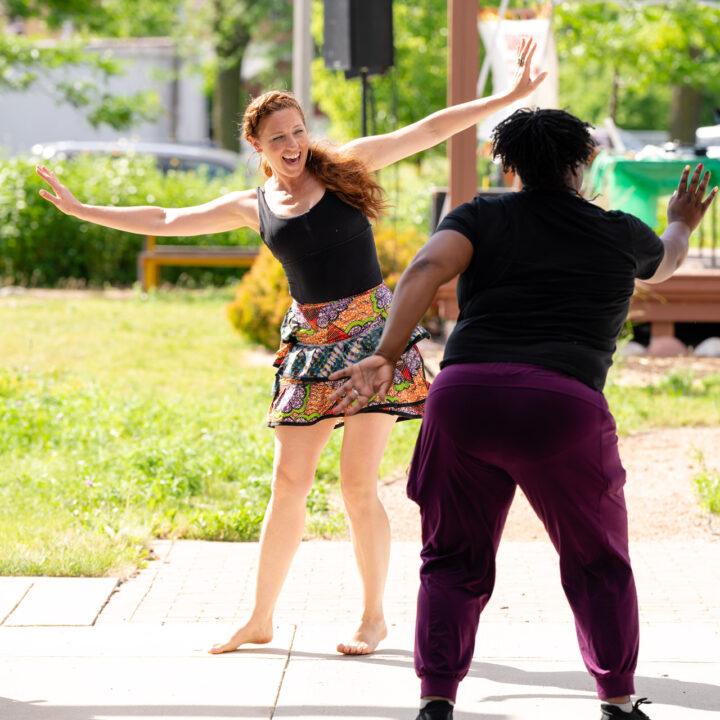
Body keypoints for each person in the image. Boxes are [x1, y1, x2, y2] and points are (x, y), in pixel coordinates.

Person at [36, 39, 546, 657]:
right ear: (257, 146)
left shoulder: (347, 165)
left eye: (298, 131)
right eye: (278, 137)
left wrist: (512, 96)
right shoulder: (252, 206)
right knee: (288, 482)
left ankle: (373, 618)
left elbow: (431, 128)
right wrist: (84, 209)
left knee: (358, 487)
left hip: (371, 342)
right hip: (309, 347)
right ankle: (260, 619)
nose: (293, 144)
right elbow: (168, 218)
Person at [330, 105, 717, 716]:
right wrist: (681, 221)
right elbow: (667, 259)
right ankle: (617, 698)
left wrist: (385, 353)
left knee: (451, 559)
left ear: (508, 167)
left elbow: (428, 268)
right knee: (596, 562)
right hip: (562, 407)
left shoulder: (479, 217)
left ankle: (437, 700)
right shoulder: (620, 233)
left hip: (465, 398)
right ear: (585, 163)